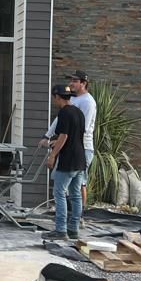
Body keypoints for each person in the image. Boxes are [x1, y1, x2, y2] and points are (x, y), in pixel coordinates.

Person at [43, 85, 87, 240]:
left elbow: (64, 136)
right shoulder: (78, 112)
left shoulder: (64, 113)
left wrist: (52, 155)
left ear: (57, 97)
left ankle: (61, 230)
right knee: (75, 195)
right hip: (80, 158)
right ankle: (73, 229)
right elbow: (75, 136)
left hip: (68, 160)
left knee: (59, 193)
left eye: (54, 97)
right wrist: (56, 143)